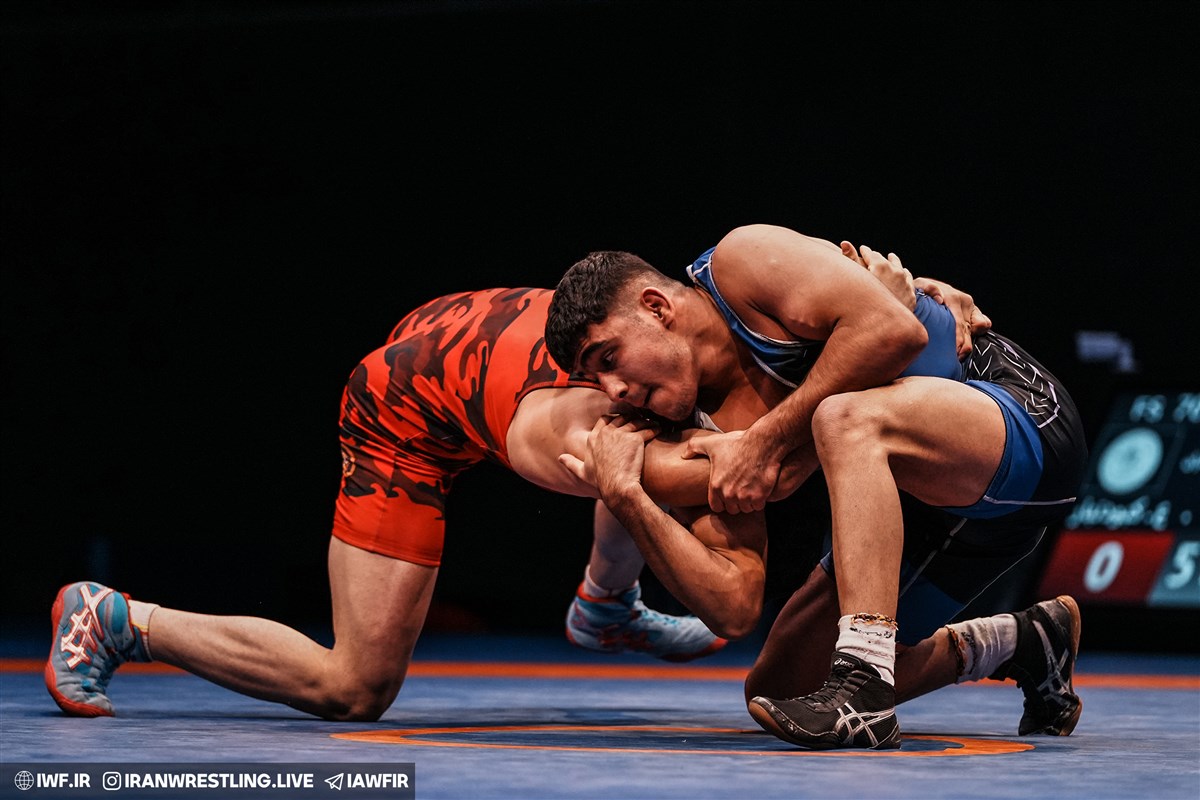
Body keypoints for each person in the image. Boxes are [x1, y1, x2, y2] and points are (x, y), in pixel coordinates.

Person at [45, 287, 731, 722]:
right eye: (604, 378)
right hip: (399, 414)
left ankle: (605, 606)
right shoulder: (557, 431)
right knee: (354, 688)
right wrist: (786, 446)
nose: (618, 387)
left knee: (653, 423)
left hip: (460, 323)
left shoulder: (644, 330)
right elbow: (671, 475)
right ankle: (115, 620)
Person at [546, 224, 1088, 750]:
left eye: (608, 358)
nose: (613, 390)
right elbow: (734, 605)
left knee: (845, 420)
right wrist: (627, 497)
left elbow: (893, 331)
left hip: (1022, 425)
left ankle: (866, 686)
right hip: (944, 512)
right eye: (596, 380)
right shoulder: (694, 427)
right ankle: (1021, 642)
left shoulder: (741, 264)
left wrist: (764, 444)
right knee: (779, 689)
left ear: (656, 307)